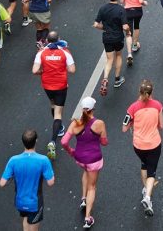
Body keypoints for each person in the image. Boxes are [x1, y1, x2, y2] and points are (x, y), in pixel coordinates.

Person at [60, 97, 108, 229]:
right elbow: (104, 142)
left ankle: (83, 199)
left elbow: (64, 142)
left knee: (85, 172)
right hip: (94, 160)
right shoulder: (99, 123)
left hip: (80, 159)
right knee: (92, 187)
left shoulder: (75, 123)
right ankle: (88, 218)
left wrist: (71, 151)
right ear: (93, 109)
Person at [0, 129, 55, 231]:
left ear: (23, 142)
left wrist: (13, 176)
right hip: (35, 203)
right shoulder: (43, 160)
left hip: (20, 202)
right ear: (36, 141)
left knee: (26, 218)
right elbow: (51, 182)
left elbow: (2, 183)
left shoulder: (13, 160)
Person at [124, 79, 163, 216]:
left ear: (139, 92)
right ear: (151, 92)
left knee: (144, 165)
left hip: (138, 146)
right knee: (152, 172)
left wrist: (132, 124)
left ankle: (145, 189)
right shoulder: (158, 106)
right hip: (154, 144)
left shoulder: (132, 108)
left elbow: (124, 127)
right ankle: (148, 197)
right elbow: (162, 125)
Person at [33, 31, 76, 160]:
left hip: (47, 85)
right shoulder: (64, 52)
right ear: (58, 40)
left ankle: (60, 128)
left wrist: (43, 71)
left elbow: (35, 70)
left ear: (47, 40)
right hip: (61, 85)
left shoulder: (41, 53)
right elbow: (72, 70)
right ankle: (52, 141)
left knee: (52, 104)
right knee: (58, 113)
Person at [94, 0, 130, 96]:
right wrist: (128, 32)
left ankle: (105, 79)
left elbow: (96, 24)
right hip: (118, 37)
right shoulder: (121, 10)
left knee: (109, 59)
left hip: (107, 38)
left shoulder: (102, 8)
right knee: (118, 56)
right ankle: (117, 79)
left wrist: (104, 28)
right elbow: (125, 26)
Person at [121, 0, 146, 65]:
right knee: (136, 26)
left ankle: (129, 54)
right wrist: (144, 3)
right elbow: (140, 1)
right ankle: (135, 45)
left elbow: (122, 1)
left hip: (128, 11)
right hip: (138, 11)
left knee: (128, 33)